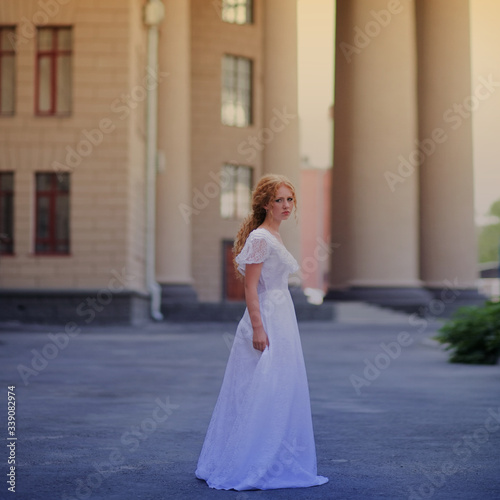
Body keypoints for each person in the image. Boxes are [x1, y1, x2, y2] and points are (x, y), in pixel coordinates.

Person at [195, 174, 328, 491]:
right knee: (260, 388)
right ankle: (249, 461)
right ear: (266, 204)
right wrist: (258, 327)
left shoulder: (274, 237)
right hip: (266, 317)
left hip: (283, 317)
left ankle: (274, 456)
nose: (285, 205)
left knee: (280, 386)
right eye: (279, 200)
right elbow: (251, 287)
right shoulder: (260, 239)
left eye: (289, 200)